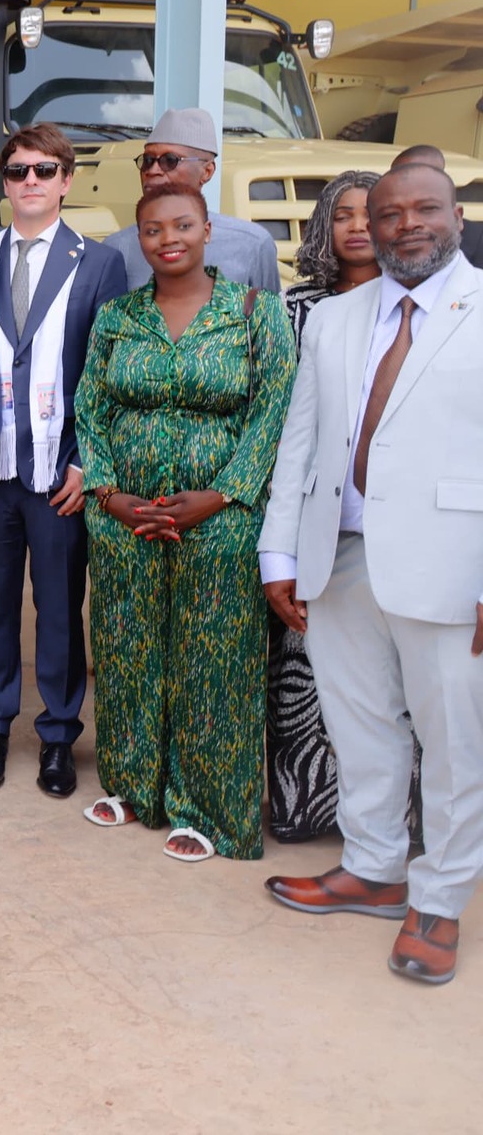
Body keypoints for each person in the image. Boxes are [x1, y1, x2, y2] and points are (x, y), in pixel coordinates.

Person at [260, 164, 483, 985]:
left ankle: (441, 900)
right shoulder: (338, 317)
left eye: (425, 209)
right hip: (338, 556)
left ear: (456, 217)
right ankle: (376, 867)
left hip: (453, 568)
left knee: (457, 745)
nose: (406, 225)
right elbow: (302, 439)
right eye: (390, 214)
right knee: (360, 729)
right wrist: (279, 554)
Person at [75, 181, 294, 862]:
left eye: (181, 225)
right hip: (126, 519)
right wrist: (109, 495)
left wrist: (223, 494)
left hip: (220, 520)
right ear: (139, 239)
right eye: (152, 229)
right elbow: (90, 408)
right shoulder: (117, 316)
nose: (167, 238)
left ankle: (209, 811)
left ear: (207, 231)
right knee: (126, 649)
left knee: (213, 662)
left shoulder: (255, 312)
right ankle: (135, 784)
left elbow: (273, 413)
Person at [0, 125, 127, 797]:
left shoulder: (100, 262)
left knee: (59, 608)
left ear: (66, 180)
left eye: (45, 170)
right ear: (3, 184)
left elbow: (109, 370)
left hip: (60, 469)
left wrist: (88, 462)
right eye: (19, 171)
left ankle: (58, 735)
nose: (31, 181)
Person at [266, 170, 381, 841]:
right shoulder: (294, 309)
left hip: (388, 525)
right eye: (343, 215)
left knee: (388, 685)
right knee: (302, 673)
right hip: (313, 518)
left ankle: (395, 820)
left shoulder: (419, 305)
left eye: (371, 214)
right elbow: (287, 421)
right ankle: (303, 805)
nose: (358, 226)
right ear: (322, 228)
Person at [102, 109, 281, 293]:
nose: (153, 170)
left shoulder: (252, 245)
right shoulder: (119, 248)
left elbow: (268, 318)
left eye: (169, 160)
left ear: (207, 171)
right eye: (147, 160)